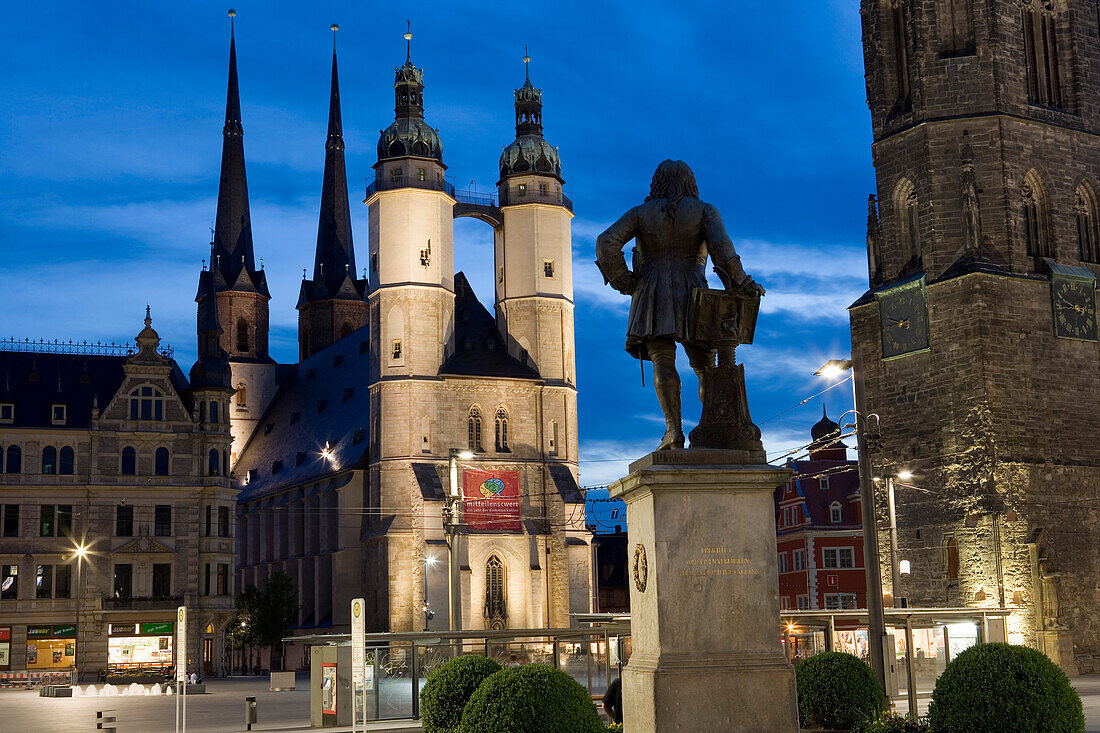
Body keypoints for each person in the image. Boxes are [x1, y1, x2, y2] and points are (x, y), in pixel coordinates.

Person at [596, 159, 762, 451]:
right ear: (690, 182)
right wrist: (743, 283)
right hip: (695, 293)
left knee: (663, 360)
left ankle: (673, 431)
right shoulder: (704, 211)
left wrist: (624, 280)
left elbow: (606, 241)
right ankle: (712, 426)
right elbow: (724, 252)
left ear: (656, 182)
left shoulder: (640, 213)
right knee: (705, 367)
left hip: (651, 291)